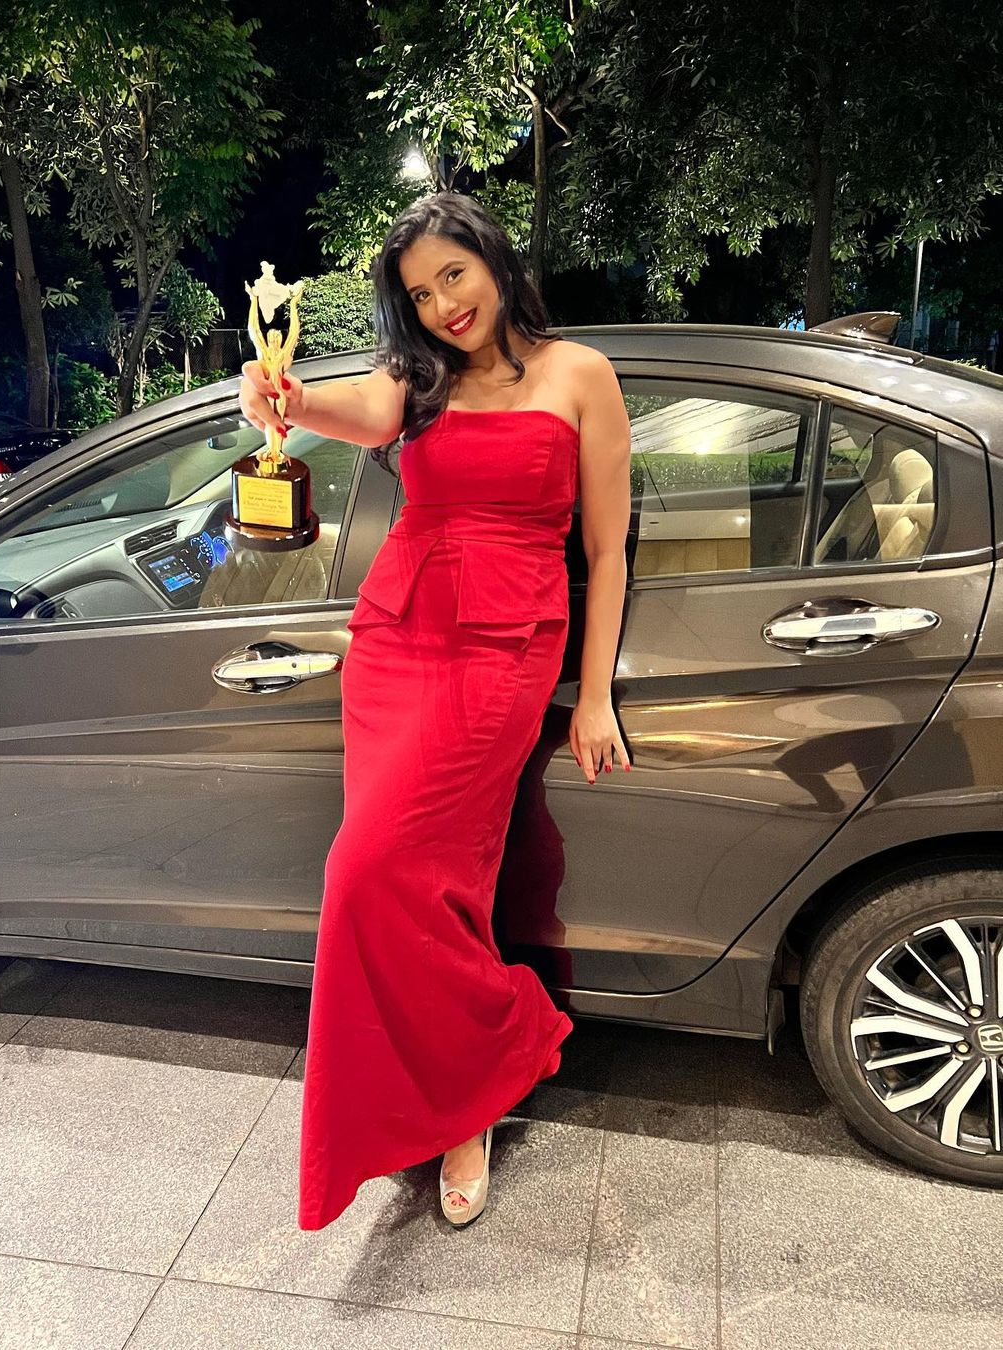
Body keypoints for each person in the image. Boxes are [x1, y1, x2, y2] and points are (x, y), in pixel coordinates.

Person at [239, 191, 631, 1231]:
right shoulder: (416, 380)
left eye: (453, 274)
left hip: (503, 648)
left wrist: (593, 694)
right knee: (398, 888)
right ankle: (469, 1089)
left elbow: (605, 551)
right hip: (396, 641)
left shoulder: (580, 373)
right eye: (418, 293)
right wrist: (281, 397)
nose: (442, 304)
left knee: (373, 872)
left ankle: (489, 1063)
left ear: (494, 260)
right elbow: (356, 412)